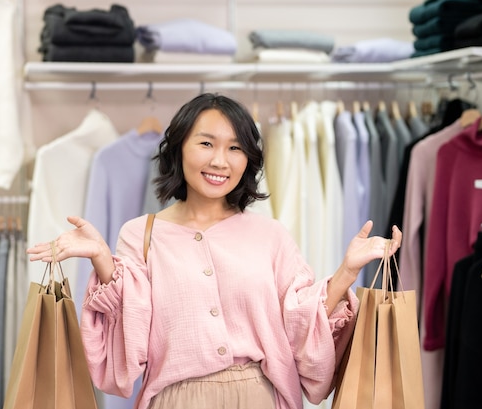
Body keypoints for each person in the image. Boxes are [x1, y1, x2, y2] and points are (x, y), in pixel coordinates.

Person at [26, 93, 402, 409]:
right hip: (177, 398)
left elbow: (300, 322)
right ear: (179, 148)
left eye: (235, 148)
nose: (220, 161)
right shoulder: (140, 234)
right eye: (206, 143)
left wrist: (347, 273)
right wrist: (103, 261)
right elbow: (130, 340)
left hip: (260, 396)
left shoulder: (270, 235)